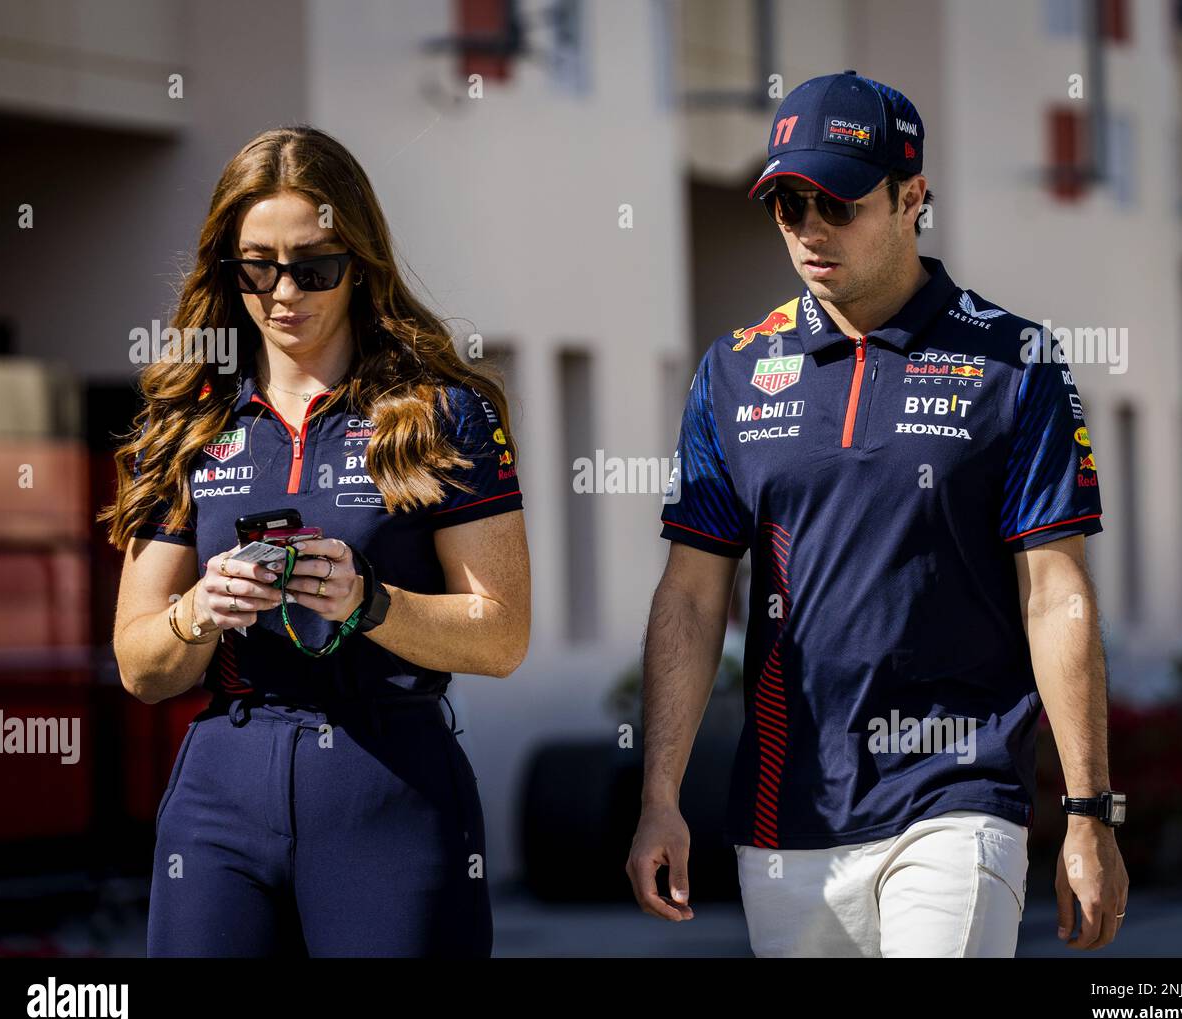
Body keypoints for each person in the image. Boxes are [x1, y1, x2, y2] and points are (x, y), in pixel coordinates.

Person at [626, 72, 1129, 957]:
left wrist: (1088, 814)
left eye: (836, 201)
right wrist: (659, 794)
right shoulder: (732, 369)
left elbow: (1055, 595)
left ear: (912, 198)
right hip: (786, 811)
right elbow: (693, 597)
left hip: (956, 794)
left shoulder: (1016, 361)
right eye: (786, 203)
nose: (810, 227)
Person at [102, 125, 529, 957]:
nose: (283, 290)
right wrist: (199, 609)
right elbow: (137, 663)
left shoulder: (443, 411)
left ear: (359, 264)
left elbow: (503, 632)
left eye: (314, 265)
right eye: (256, 265)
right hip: (223, 776)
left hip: (387, 775)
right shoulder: (188, 421)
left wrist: (371, 601)